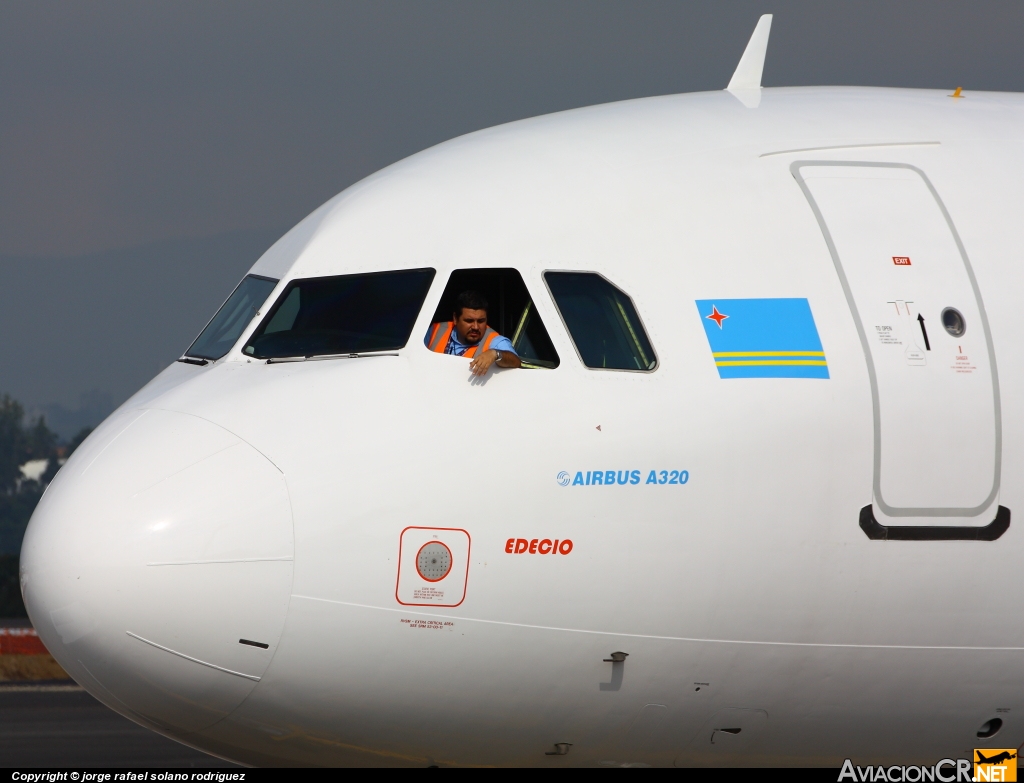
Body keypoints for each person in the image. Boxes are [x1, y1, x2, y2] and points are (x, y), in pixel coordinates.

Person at [425, 290, 522, 376]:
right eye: (469, 321)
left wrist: (496, 354)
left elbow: (516, 362)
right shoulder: (435, 330)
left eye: (481, 321)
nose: (475, 327)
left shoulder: (494, 340)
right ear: (455, 318)